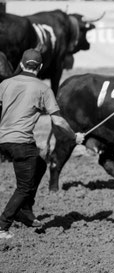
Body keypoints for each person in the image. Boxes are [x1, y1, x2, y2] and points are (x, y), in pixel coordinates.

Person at [0, 50, 84, 240]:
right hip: (21, 143)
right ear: (40, 67)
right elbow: (59, 121)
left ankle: (26, 212)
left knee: (40, 165)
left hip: (3, 141)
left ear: (21, 65)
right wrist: (74, 137)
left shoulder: (5, 83)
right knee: (24, 187)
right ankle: (3, 225)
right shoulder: (43, 88)